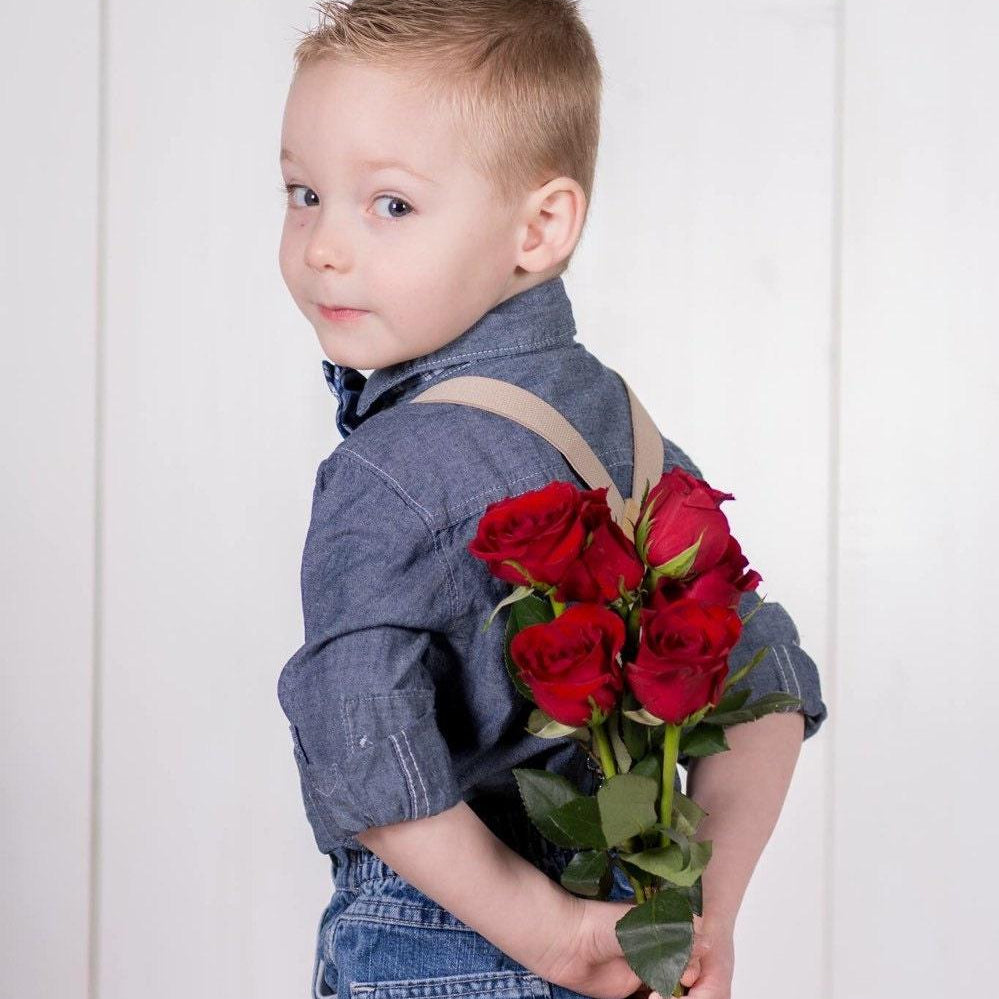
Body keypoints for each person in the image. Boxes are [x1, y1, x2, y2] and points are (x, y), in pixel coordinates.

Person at [275, 3, 829, 999]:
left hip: (442, 949)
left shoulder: (389, 471)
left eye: (390, 204)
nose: (323, 246)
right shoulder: (621, 424)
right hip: (632, 934)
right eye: (304, 193)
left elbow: (359, 745)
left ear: (540, 226)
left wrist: (552, 934)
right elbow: (764, 684)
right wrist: (698, 916)